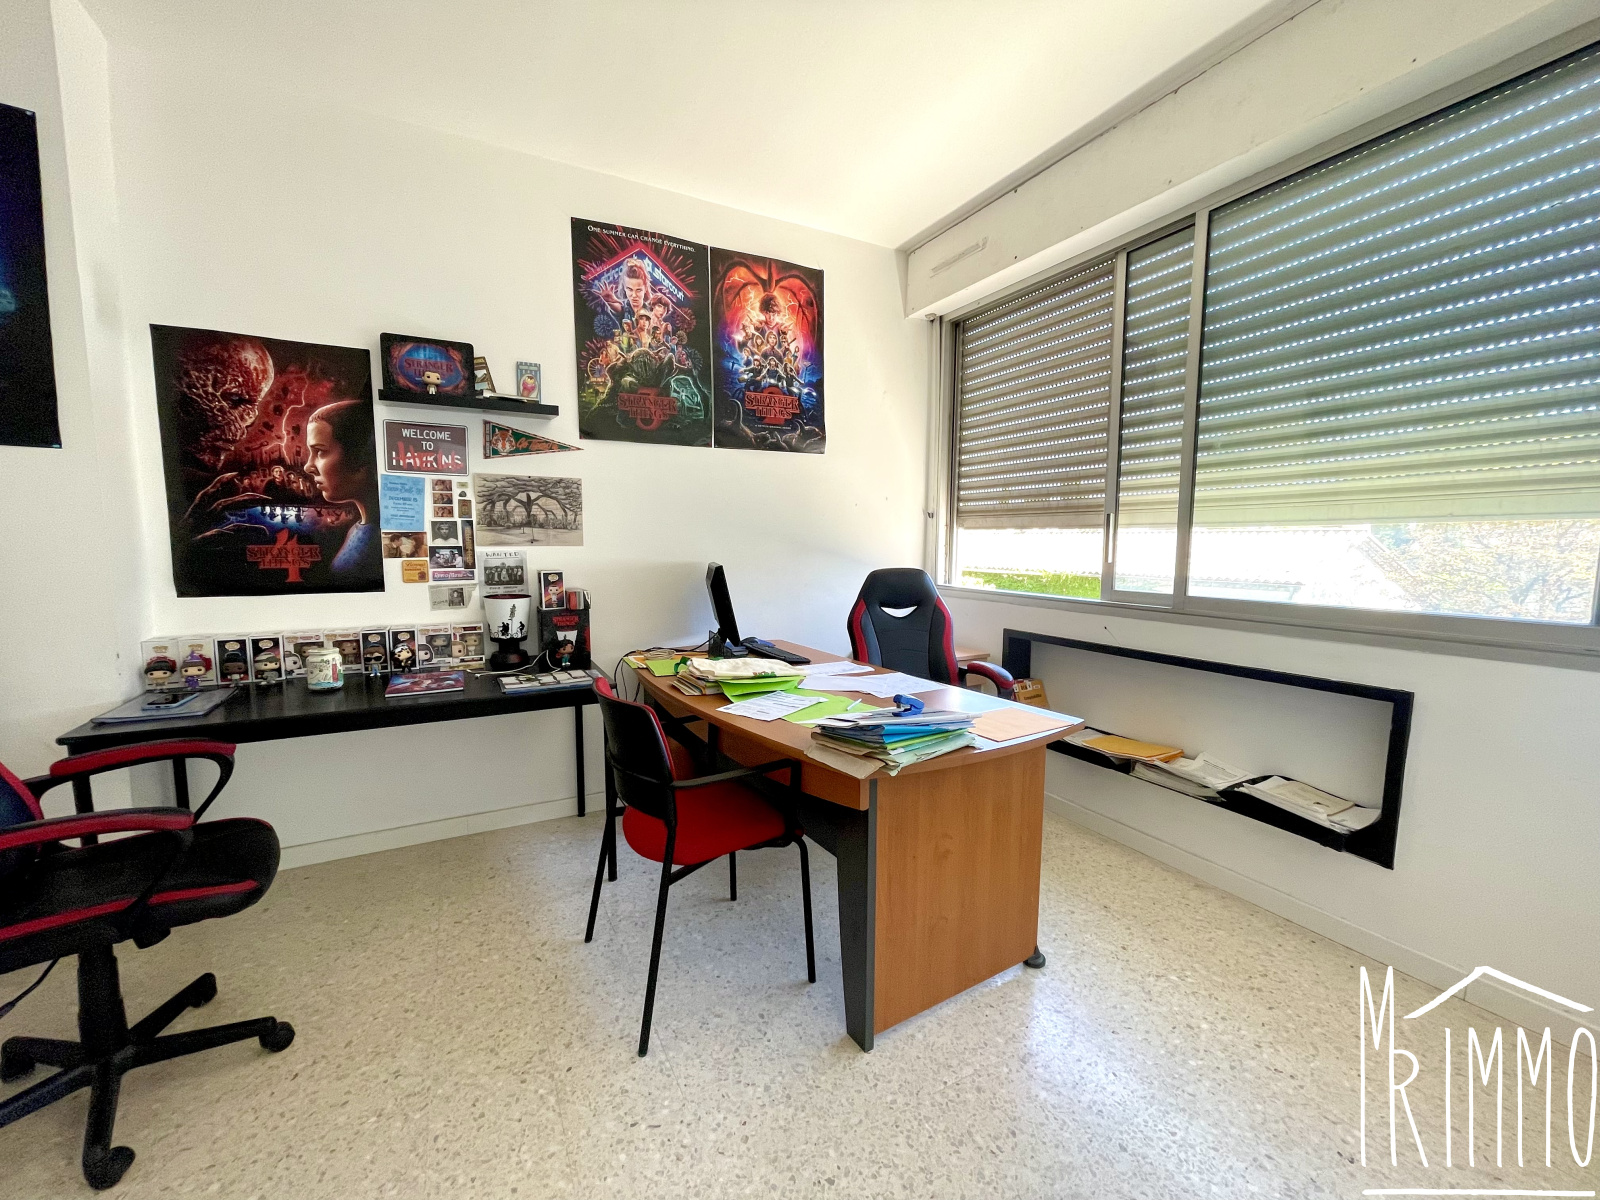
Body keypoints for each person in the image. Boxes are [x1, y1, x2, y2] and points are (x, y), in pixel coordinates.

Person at [303, 398, 377, 576]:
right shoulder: (357, 529)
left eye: (320, 451)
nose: (308, 466)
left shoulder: (384, 538)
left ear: (360, 457)